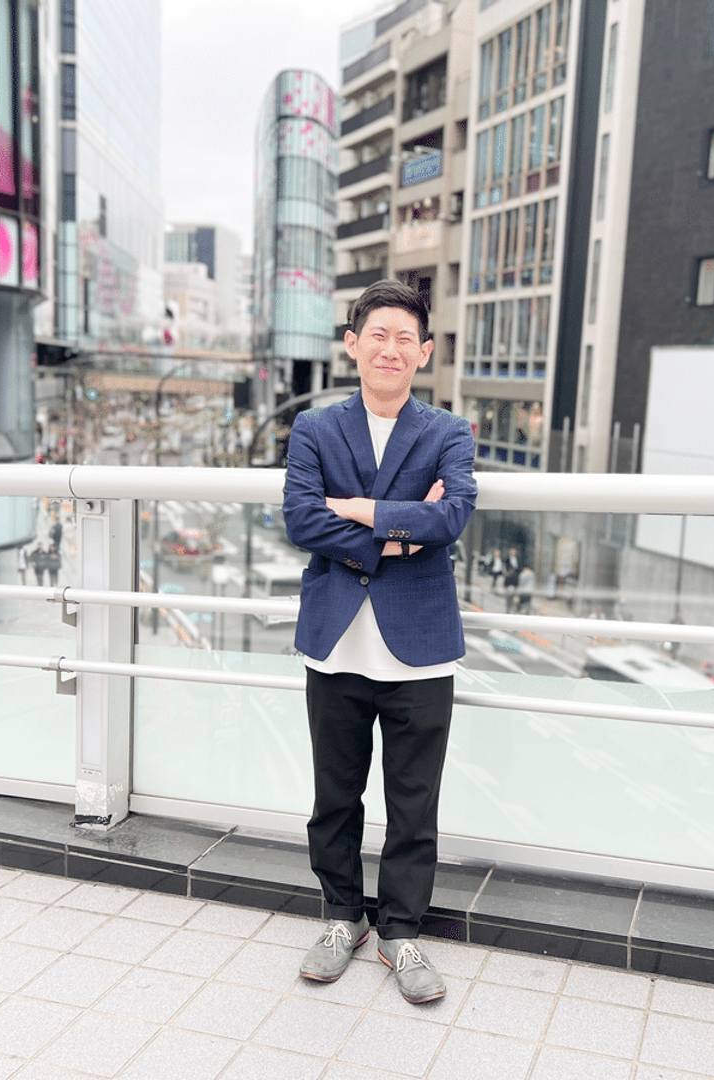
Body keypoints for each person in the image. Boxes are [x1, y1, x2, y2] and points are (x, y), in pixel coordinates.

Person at [283, 280, 476, 1005]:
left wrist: (362, 511)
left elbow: (452, 516)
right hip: (335, 642)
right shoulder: (314, 428)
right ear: (352, 345)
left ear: (423, 353)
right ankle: (342, 917)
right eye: (377, 335)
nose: (390, 348)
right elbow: (302, 520)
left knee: (413, 800)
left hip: (421, 646)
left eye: (405, 338)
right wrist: (400, 534)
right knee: (334, 796)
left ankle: (400, 931)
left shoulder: (449, 433)